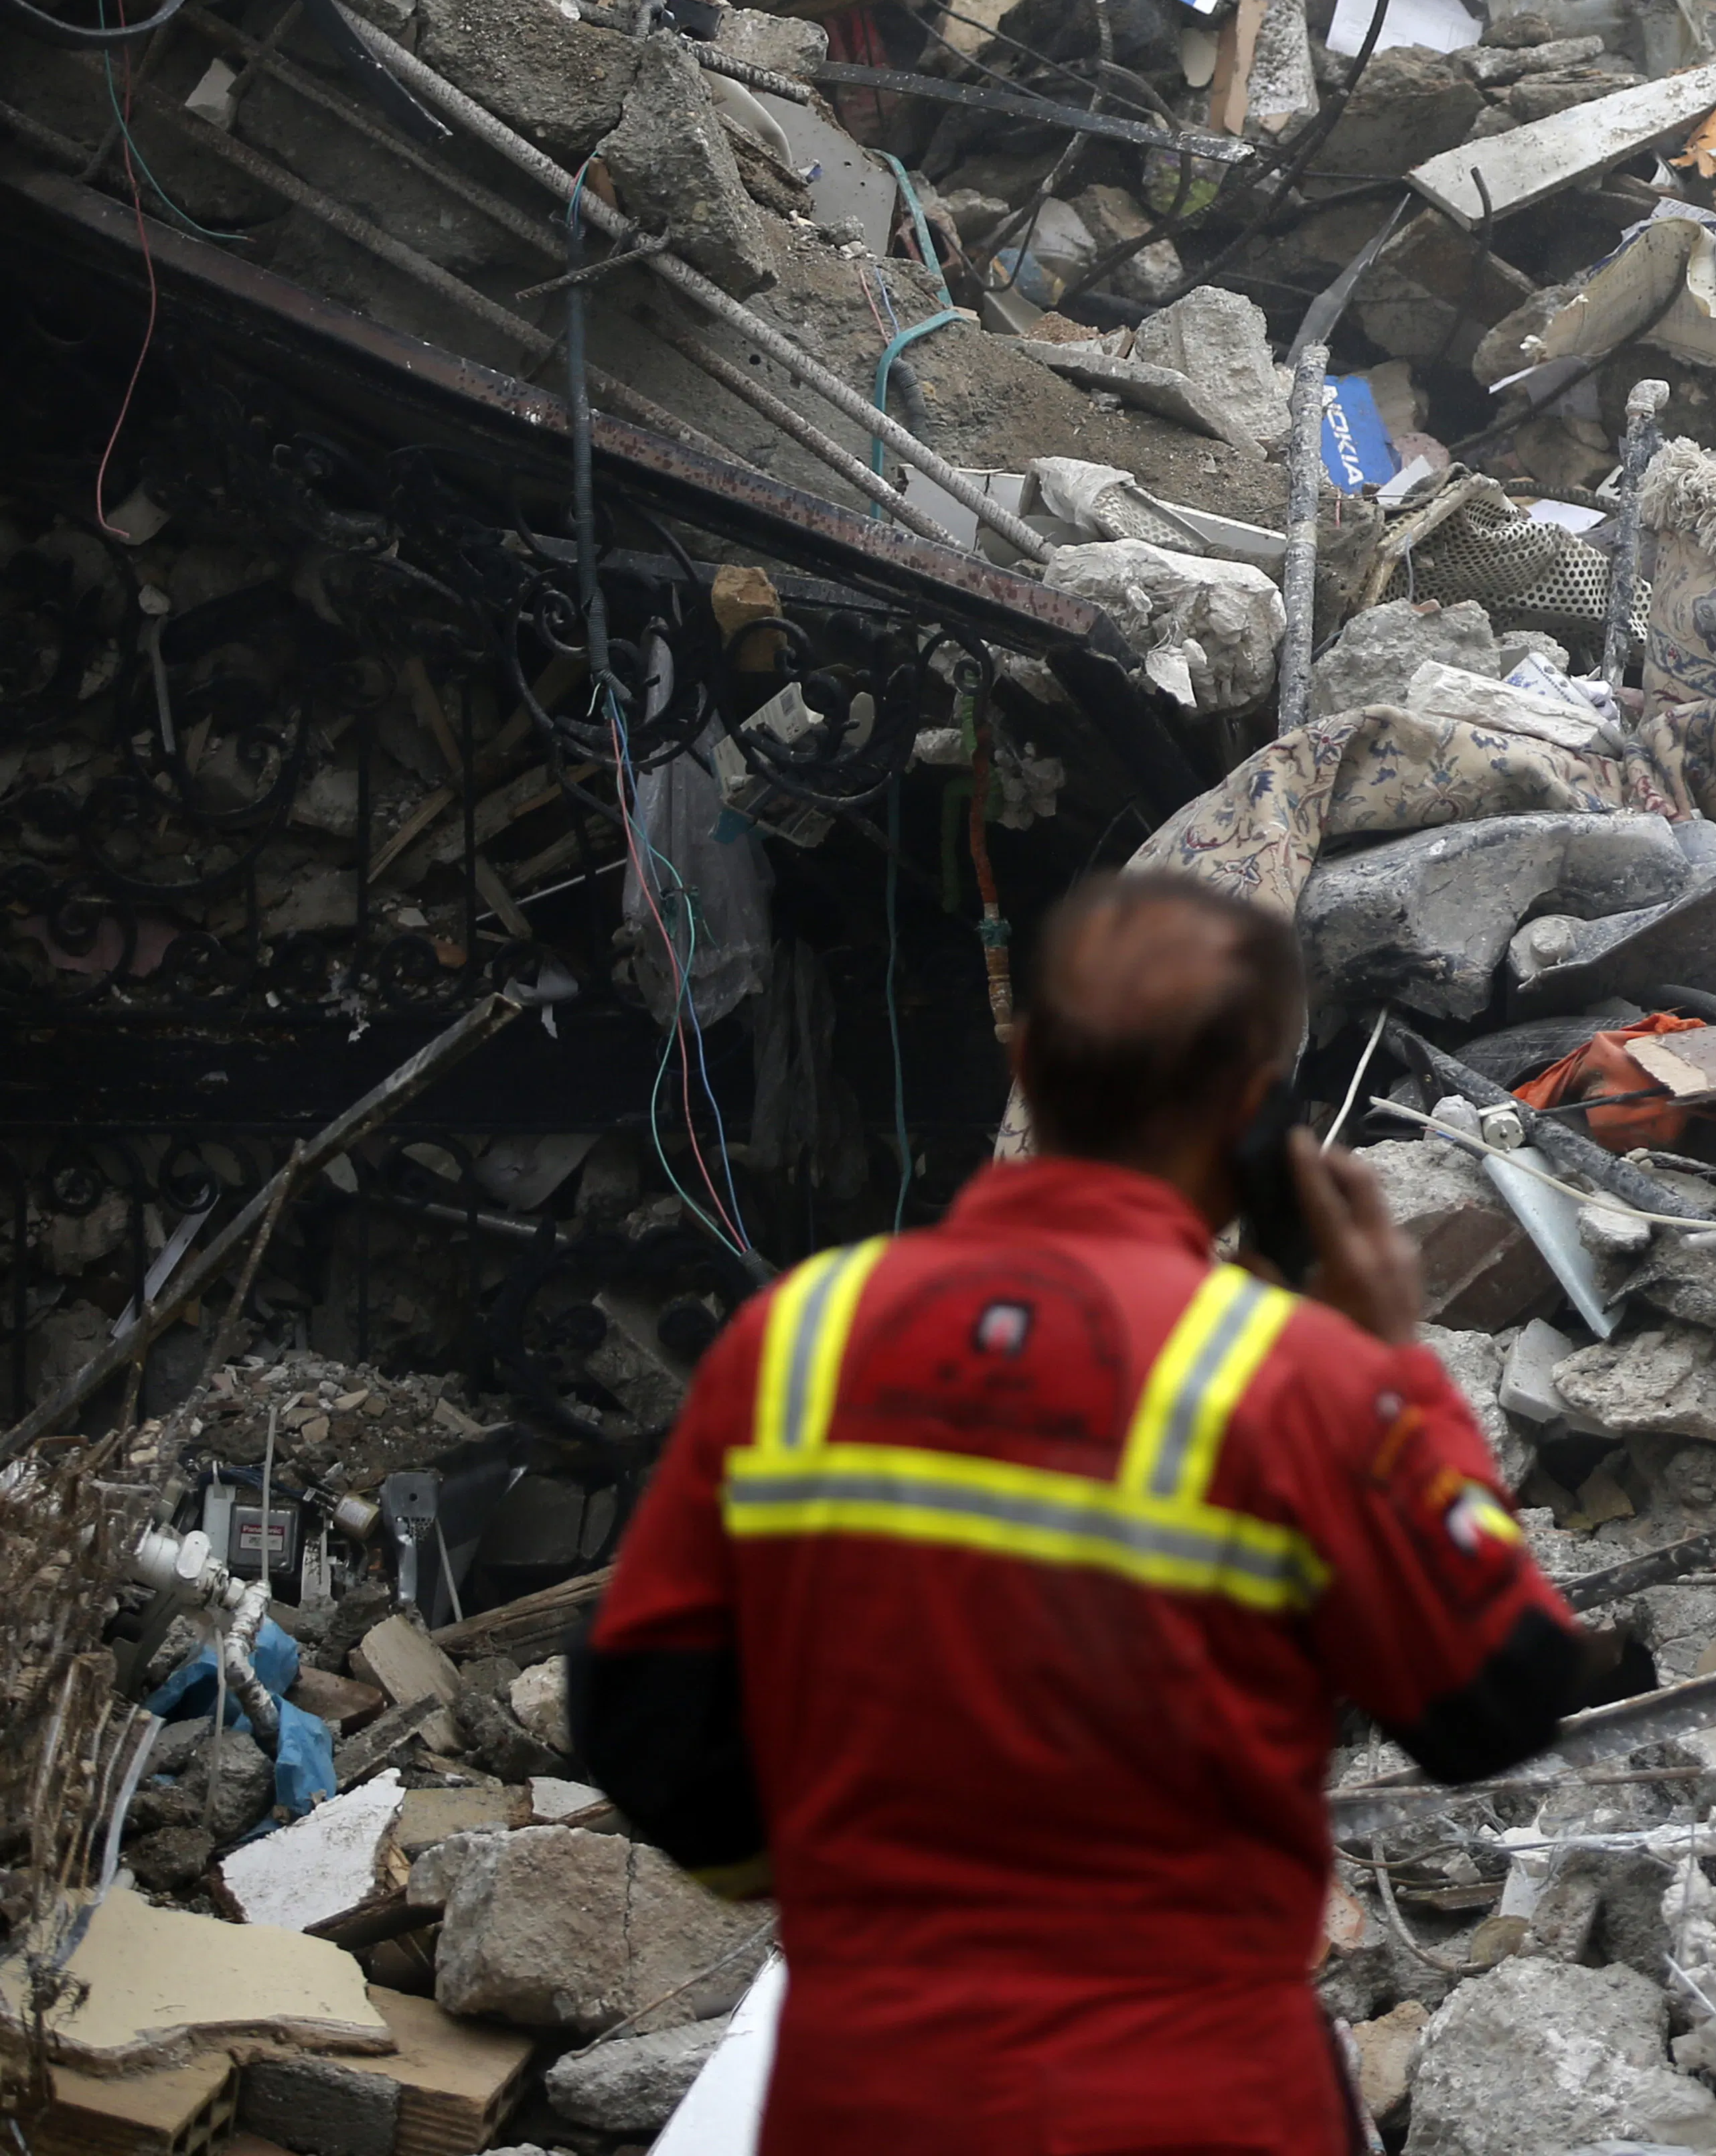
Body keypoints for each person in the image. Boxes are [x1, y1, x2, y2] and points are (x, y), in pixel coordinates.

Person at [576, 870, 1588, 2156]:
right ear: (1251, 1112)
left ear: (1029, 1061)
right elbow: (1496, 1700)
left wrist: (821, 1894)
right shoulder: (1297, 1384)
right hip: (1195, 2102)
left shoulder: (801, 1336)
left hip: (866, 2092)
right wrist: (1391, 1362)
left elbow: (639, 1716)